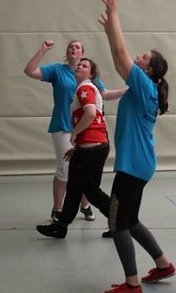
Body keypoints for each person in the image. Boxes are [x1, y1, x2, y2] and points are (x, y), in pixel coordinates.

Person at [97, 0, 175, 293]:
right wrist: (108, 31)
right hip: (141, 164)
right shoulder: (146, 86)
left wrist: (115, 14)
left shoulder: (144, 84)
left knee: (117, 224)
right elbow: (119, 59)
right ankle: (163, 264)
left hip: (133, 167)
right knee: (131, 220)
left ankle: (131, 285)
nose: (137, 58)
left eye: (143, 57)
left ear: (149, 68)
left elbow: (119, 56)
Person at [35, 57, 122, 239]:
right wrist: (79, 145)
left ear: (90, 73)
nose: (79, 66)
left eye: (84, 66)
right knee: (91, 190)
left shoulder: (85, 88)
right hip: (97, 147)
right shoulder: (87, 89)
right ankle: (119, 222)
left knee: (74, 189)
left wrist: (74, 134)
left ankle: (61, 226)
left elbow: (90, 113)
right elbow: (95, 116)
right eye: (79, 64)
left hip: (91, 149)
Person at [24, 39, 105, 223]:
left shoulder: (87, 76)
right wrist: (42, 49)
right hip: (63, 126)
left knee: (83, 168)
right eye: (70, 46)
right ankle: (58, 209)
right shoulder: (57, 70)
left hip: (83, 128)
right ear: (67, 52)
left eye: (77, 47)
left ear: (82, 53)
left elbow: (105, 94)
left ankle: (84, 205)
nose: (73, 48)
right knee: (65, 169)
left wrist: (129, 90)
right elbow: (29, 71)